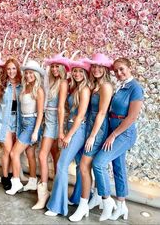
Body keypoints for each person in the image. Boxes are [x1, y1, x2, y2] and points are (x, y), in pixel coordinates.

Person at [92, 58, 144, 221]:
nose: (119, 73)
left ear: (129, 68)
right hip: (112, 129)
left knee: (98, 163)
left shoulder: (135, 88)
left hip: (124, 133)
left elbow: (132, 117)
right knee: (118, 167)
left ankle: (107, 201)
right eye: (115, 71)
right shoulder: (120, 86)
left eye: (122, 69)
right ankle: (122, 205)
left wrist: (114, 135)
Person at [69, 53, 113, 222]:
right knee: (84, 166)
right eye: (94, 66)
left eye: (99, 66)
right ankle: (90, 198)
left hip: (98, 129)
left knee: (84, 167)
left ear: (105, 69)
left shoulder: (106, 86)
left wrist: (93, 136)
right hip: (89, 125)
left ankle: (83, 205)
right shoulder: (95, 84)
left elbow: (102, 113)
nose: (96, 69)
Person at [45, 59, 91, 217]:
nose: (77, 73)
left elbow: (80, 116)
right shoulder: (76, 87)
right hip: (73, 127)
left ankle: (57, 206)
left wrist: (67, 135)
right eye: (75, 71)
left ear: (85, 73)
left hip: (77, 129)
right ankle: (77, 198)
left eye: (80, 71)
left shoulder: (84, 90)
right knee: (79, 164)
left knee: (62, 165)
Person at [32, 54, 69, 210]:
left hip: (55, 122)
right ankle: (56, 190)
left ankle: (44, 192)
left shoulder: (63, 83)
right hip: (47, 119)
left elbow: (61, 107)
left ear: (62, 68)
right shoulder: (50, 81)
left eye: (57, 66)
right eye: (52, 66)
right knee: (54, 155)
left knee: (42, 155)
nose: (54, 69)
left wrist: (60, 131)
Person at [6, 60, 45, 195]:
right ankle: (33, 182)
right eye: (26, 73)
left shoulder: (38, 90)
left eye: (31, 73)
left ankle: (16, 182)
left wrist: (35, 131)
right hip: (22, 122)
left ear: (36, 74)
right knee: (29, 154)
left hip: (32, 124)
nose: (28, 75)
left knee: (14, 153)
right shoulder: (25, 87)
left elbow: (40, 113)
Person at [0, 58, 22, 190]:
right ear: (5, 70)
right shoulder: (1, 85)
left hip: (19, 121)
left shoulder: (22, 84)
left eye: (13, 68)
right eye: (8, 69)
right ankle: (5, 176)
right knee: (7, 151)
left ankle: (10, 174)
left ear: (17, 69)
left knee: (14, 152)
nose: (11, 71)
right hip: (5, 121)